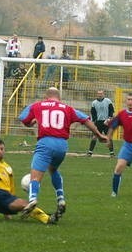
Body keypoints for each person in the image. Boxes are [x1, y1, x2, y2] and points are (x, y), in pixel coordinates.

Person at [18, 87, 108, 220]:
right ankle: (61, 199)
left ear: (46, 96)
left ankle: (32, 199)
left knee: (35, 176)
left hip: (45, 142)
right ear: (59, 98)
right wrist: (99, 135)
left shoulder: (38, 105)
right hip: (62, 146)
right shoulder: (67, 108)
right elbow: (86, 120)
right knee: (53, 169)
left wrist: (32, 122)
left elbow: (24, 119)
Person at [87, 89, 115, 157]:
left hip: (106, 122)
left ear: (103, 94)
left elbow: (111, 110)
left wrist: (109, 118)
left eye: (101, 93)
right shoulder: (94, 103)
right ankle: (90, 152)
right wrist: (94, 121)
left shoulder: (108, 101)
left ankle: (112, 153)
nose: (100, 95)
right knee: (94, 137)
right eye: (98, 93)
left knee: (109, 137)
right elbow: (93, 113)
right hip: (98, 122)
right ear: (97, 94)